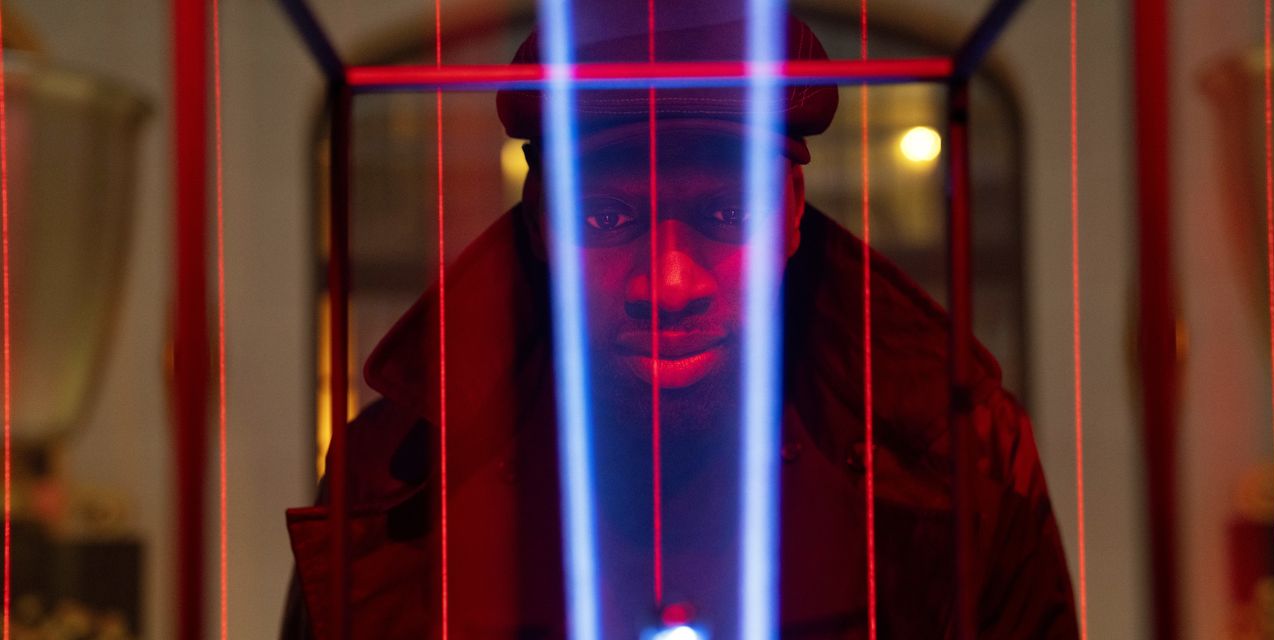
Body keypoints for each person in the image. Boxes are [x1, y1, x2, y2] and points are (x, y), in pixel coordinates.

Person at [282, 9, 1078, 639]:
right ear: (540, 223)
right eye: (605, 217)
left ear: (793, 213)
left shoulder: (964, 458)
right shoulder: (390, 477)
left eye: (727, 214)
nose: (668, 284)